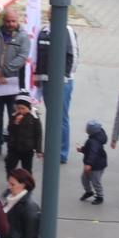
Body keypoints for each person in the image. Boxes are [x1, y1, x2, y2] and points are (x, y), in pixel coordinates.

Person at [0, 8, 30, 158]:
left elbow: (22, 58)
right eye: (8, 21)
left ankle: (12, 146)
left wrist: (3, 72)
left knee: (13, 116)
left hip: (13, 84)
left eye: (13, 21)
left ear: (18, 20)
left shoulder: (23, 37)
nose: (11, 24)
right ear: (3, 21)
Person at [34, 20, 79, 163]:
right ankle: (52, 149)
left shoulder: (68, 31)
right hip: (47, 80)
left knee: (61, 117)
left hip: (62, 82)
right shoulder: (44, 32)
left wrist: (65, 77)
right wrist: (38, 77)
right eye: (51, 12)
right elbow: (40, 56)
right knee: (52, 117)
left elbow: (74, 55)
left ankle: (62, 153)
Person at [4, 95, 41, 176]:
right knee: (9, 165)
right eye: (18, 108)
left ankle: (27, 185)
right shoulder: (14, 116)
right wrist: (15, 122)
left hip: (27, 148)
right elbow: (10, 130)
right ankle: (11, 181)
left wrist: (38, 150)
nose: (21, 111)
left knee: (27, 169)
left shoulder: (33, 117)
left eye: (23, 108)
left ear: (28, 107)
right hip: (14, 147)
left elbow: (38, 134)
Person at [78, 120, 109, 204]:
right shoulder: (95, 138)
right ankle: (89, 191)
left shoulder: (93, 141)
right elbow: (90, 150)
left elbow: (93, 153)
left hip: (96, 166)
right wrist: (83, 149)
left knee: (96, 181)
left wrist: (89, 164)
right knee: (84, 178)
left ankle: (100, 196)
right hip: (94, 164)